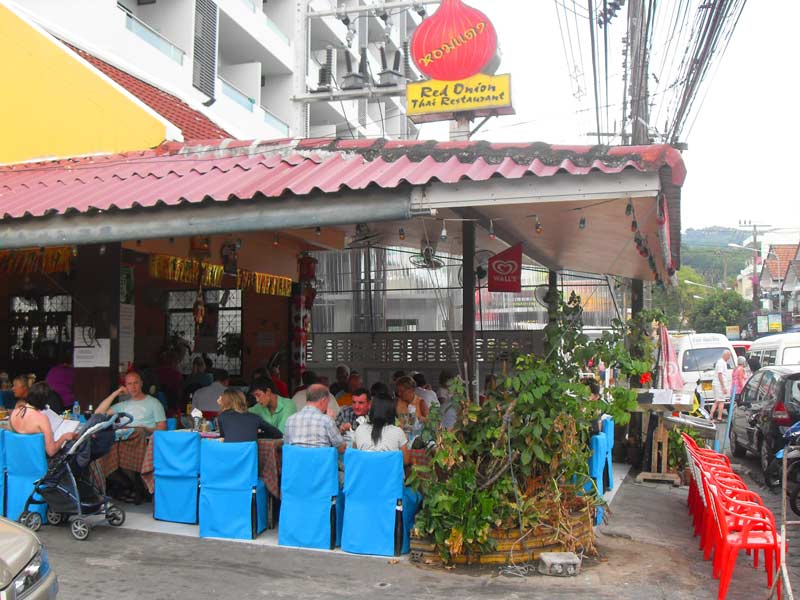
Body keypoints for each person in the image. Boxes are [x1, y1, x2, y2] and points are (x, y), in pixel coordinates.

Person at [9, 382, 78, 456]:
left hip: (17, 460)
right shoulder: (42, 419)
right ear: (45, 401)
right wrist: (64, 437)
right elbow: (51, 451)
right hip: (37, 462)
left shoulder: (14, 413)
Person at [96, 371, 167, 432]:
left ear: (141, 383)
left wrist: (146, 430)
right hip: (124, 441)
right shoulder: (121, 405)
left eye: (136, 383)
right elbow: (98, 413)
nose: (133, 387)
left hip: (144, 441)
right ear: (126, 386)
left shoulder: (154, 403)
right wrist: (115, 393)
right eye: (129, 384)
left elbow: (162, 428)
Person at [284, 384, 345, 452]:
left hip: (296, 462)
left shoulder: (290, 419)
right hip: (320, 462)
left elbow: (286, 447)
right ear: (323, 401)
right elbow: (341, 448)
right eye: (327, 403)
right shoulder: (326, 420)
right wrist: (331, 420)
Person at [216, 388, 282, 443]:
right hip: (251, 458)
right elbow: (278, 434)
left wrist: (222, 406)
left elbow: (223, 438)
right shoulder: (255, 418)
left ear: (225, 401)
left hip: (231, 457)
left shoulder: (222, 417)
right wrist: (256, 434)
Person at [353, 392, 409, 457]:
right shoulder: (398, 432)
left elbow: (355, 455)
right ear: (391, 411)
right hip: (389, 467)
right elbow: (405, 460)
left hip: (365, 467)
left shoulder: (360, 429)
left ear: (372, 409)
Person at [711, 350, 732, 422]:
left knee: (716, 401)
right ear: (725, 355)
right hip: (719, 385)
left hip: (717, 384)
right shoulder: (721, 363)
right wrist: (723, 387)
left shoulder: (721, 362)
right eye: (729, 356)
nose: (729, 358)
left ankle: (711, 416)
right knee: (721, 401)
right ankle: (719, 417)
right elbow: (720, 375)